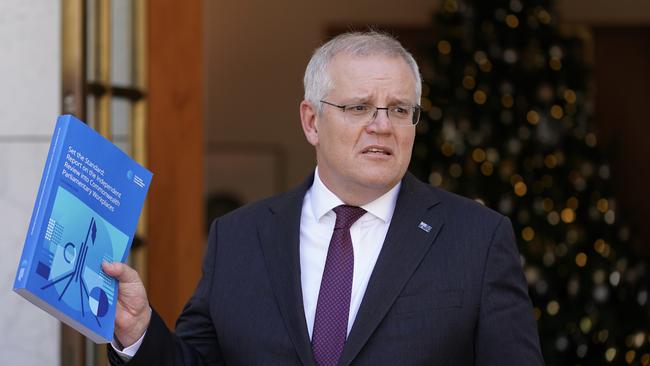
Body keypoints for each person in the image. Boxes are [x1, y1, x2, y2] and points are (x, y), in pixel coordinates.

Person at [103, 31, 544, 365]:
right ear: (311, 121)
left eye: (399, 109)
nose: (382, 125)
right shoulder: (238, 237)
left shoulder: (477, 240)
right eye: (358, 107)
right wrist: (139, 332)